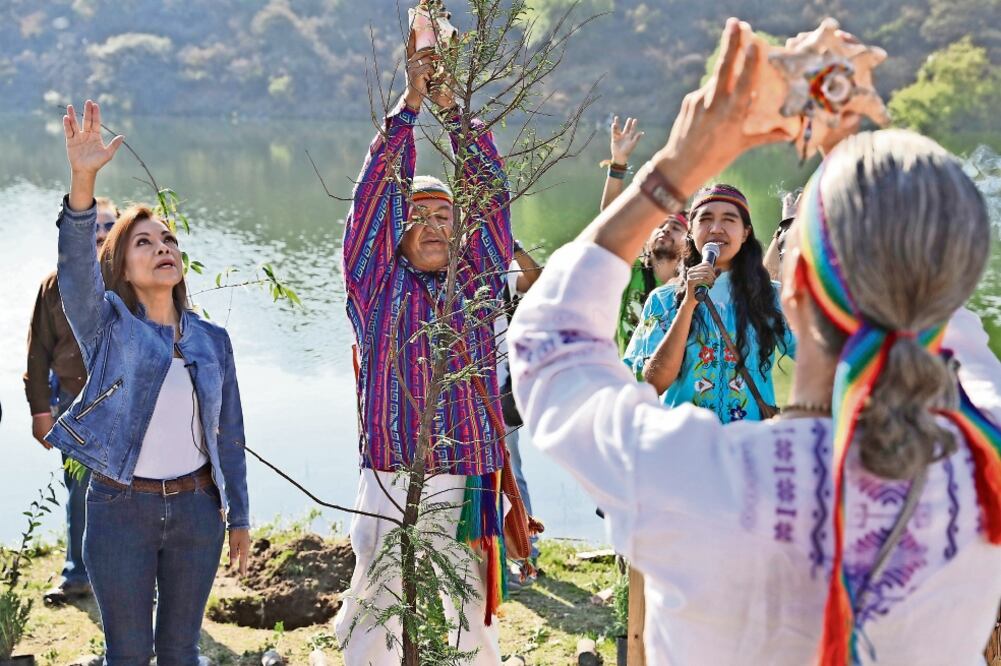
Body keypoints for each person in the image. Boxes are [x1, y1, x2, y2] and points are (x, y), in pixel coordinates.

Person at [509, 19, 1001, 664]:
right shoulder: (982, 459)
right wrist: (859, 160)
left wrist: (677, 168)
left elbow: (550, 345)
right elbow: (946, 315)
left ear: (790, 291)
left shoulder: (696, 477)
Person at [47, 100, 251, 664]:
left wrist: (239, 516)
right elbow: (75, 274)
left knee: (181, 653)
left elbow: (229, 435)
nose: (163, 247)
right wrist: (83, 180)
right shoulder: (108, 328)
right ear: (122, 266)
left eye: (169, 240)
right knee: (129, 655)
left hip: (196, 513)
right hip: (120, 511)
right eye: (145, 242)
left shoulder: (213, 341)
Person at [334, 46, 514, 664]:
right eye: (420, 216)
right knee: (374, 596)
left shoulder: (479, 282)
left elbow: (492, 191)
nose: (436, 224)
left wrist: (450, 108)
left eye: (446, 213)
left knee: (471, 607)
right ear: (397, 233)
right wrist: (410, 106)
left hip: (472, 469)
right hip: (389, 467)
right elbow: (371, 199)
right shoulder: (375, 288)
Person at [623, 182, 794, 422]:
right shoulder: (663, 300)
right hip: (684, 443)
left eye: (728, 219)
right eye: (705, 219)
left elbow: (817, 354)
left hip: (748, 445)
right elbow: (652, 385)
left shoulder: (770, 298)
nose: (716, 228)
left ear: (745, 233)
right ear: (690, 232)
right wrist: (687, 305)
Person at [25, 196, 117, 605]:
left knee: (129, 492)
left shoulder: (130, 281)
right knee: (79, 491)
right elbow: (38, 351)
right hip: (71, 404)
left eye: (109, 226)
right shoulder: (53, 284)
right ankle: (77, 574)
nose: (99, 233)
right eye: (92, 226)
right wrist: (40, 411)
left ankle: (134, 578)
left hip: (121, 406)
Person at [602, 116, 688, 355]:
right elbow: (611, 224)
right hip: (628, 381)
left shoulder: (689, 284)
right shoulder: (632, 271)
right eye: (660, 225)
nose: (665, 229)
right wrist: (618, 164)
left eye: (676, 227)